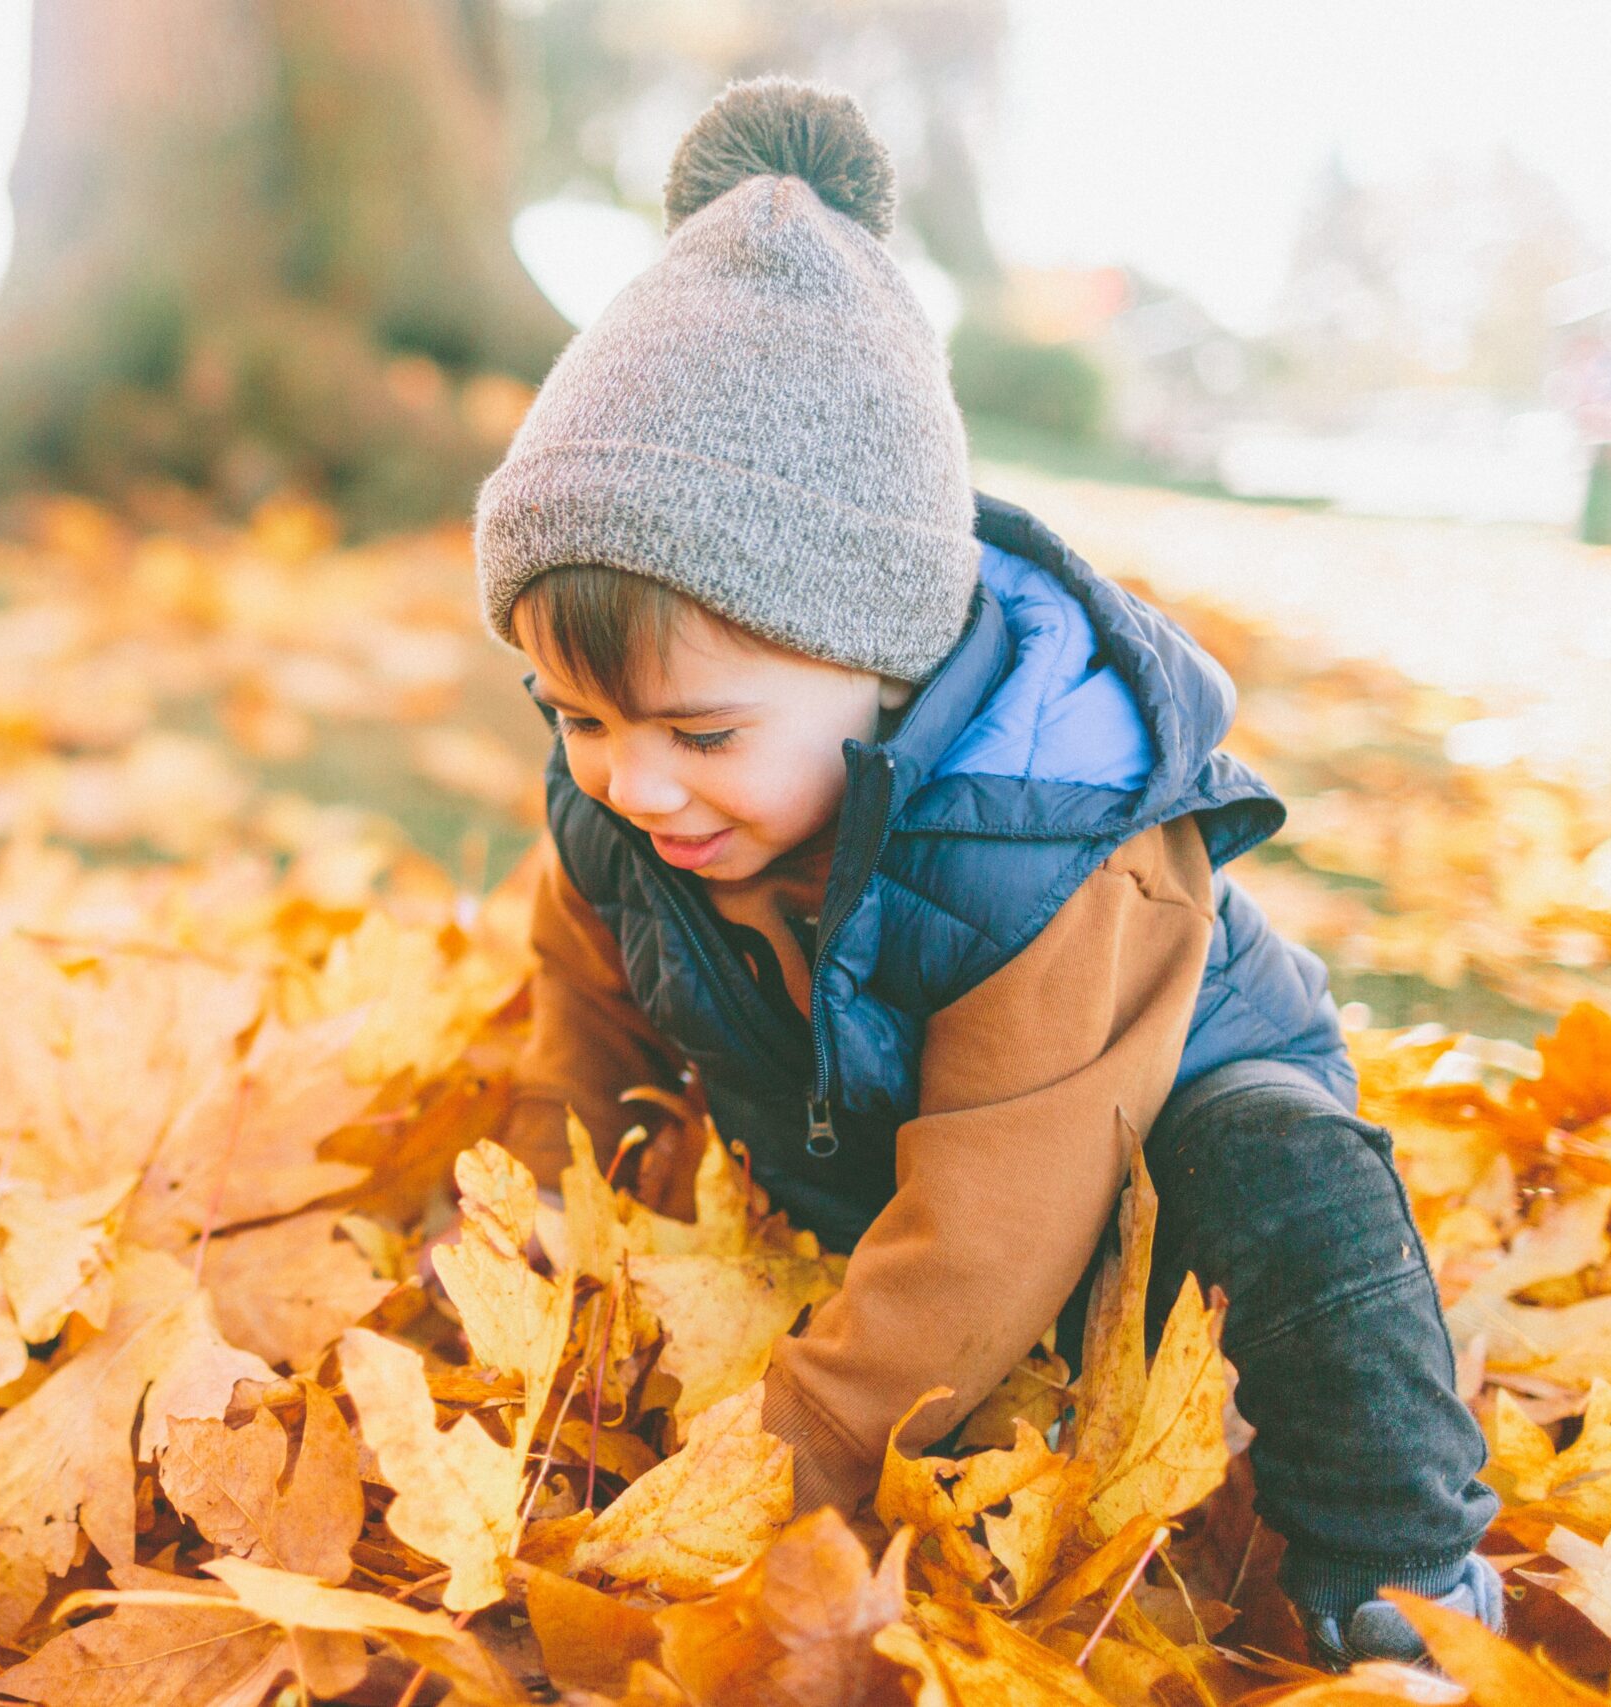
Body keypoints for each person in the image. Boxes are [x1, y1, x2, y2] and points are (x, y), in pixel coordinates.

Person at [470, 77, 1502, 1668]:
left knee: (1294, 1192)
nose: (635, 777)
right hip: (898, 1180)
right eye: (579, 715)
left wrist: (780, 1472)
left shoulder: (1050, 847)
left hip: (1141, 1140)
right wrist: (543, 1266)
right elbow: (583, 1031)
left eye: (702, 729)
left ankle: (1403, 1579)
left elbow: (997, 1223)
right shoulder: (632, 817)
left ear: (885, 670)